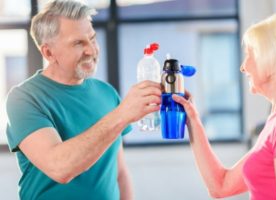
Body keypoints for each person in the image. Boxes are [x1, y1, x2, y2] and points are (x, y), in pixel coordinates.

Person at [5, 1, 161, 200]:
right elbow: (60, 167)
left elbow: (119, 173)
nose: (92, 50)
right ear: (48, 53)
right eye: (78, 43)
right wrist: (122, 115)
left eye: (92, 39)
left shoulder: (106, 93)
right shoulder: (24, 98)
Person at [172, 13, 276, 200]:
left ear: (268, 57)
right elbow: (221, 186)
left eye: (249, 54)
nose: (243, 67)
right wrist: (193, 119)